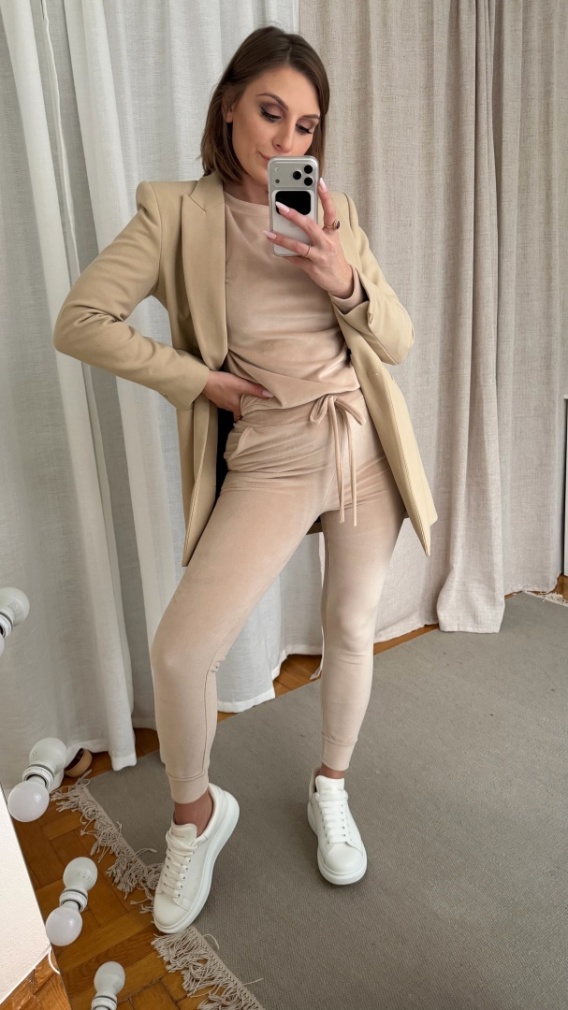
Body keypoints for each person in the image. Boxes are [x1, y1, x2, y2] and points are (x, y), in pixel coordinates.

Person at [53, 25, 436, 935]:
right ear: (229, 104)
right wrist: (201, 381)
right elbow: (80, 320)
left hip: (362, 442)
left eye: (305, 126)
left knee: (351, 627)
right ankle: (196, 816)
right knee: (183, 652)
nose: (286, 140)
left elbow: (397, 340)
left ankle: (330, 787)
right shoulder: (174, 213)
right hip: (271, 448)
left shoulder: (331, 210)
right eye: (270, 112)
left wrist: (342, 274)